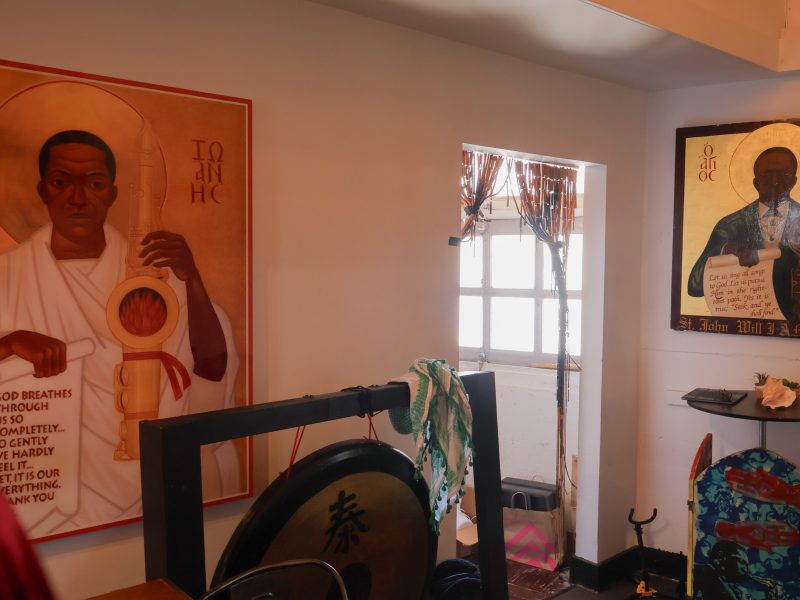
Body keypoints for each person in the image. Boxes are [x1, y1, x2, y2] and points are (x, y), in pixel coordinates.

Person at [0, 130, 240, 535]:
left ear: (111, 194)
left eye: (93, 183)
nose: (78, 198)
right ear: (42, 188)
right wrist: (7, 344)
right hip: (56, 497)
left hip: (158, 480)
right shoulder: (9, 275)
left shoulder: (153, 273)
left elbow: (212, 369)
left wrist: (192, 277)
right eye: (62, 182)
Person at [688, 146, 800, 322]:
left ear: (794, 180)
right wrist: (725, 251)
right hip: (748, 321)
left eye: (783, 174)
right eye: (767, 174)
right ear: (756, 183)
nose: (775, 181)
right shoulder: (731, 225)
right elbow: (694, 286)